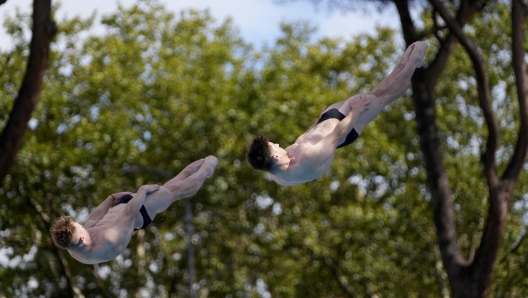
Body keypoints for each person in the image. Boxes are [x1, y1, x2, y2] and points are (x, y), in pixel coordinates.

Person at [247, 41, 428, 186]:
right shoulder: (305, 162)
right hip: (346, 125)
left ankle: (406, 59)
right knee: (384, 96)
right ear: (275, 156)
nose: (278, 144)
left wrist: (319, 120)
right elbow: (338, 134)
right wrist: (356, 111)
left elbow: (305, 140)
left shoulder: (276, 173)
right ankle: (414, 60)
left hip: (326, 120)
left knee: (377, 92)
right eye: (274, 145)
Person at [50, 156, 218, 264]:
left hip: (122, 208)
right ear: (80, 238)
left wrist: (110, 199)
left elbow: (94, 219)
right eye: (81, 228)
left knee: (170, 186)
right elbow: (129, 214)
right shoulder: (107, 242)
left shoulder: (74, 247)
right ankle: (208, 166)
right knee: (175, 191)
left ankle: (198, 164)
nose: (84, 226)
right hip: (140, 212)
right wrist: (142, 191)